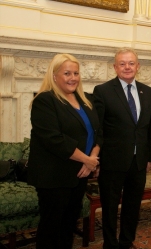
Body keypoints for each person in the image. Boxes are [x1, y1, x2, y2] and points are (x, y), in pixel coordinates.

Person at [28, 53, 102, 249]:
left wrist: (92, 158)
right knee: (52, 228)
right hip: (54, 176)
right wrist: (87, 160)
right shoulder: (44, 101)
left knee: (69, 225)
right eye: (67, 73)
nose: (73, 77)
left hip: (79, 174)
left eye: (76, 73)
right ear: (54, 76)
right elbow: (54, 140)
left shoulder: (85, 100)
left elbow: (99, 132)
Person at [93, 48, 151, 249]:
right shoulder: (102, 91)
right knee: (110, 207)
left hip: (139, 162)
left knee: (132, 206)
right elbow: (98, 129)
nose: (127, 67)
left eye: (131, 63)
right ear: (115, 67)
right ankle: (110, 244)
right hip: (112, 161)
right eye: (122, 63)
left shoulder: (147, 91)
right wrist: (97, 160)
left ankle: (126, 242)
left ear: (138, 66)